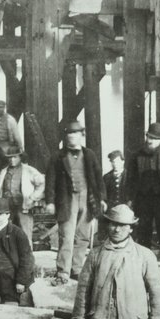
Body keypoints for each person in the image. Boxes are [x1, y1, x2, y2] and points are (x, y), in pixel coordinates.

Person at [44, 120, 103, 283]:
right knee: (67, 236)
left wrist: (101, 199)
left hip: (87, 199)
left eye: (76, 133)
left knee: (82, 236)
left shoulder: (89, 155)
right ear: (66, 137)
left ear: (81, 136)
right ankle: (63, 271)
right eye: (69, 134)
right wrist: (50, 201)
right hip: (66, 200)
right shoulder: (57, 157)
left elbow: (98, 178)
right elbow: (50, 180)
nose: (72, 137)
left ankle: (76, 269)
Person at [127, 122, 160, 276]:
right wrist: (130, 199)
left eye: (154, 138)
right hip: (143, 203)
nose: (150, 140)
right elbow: (130, 180)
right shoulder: (136, 156)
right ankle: (144, 271)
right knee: (143, 236)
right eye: (149, 136)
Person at [0, 197, 35, 306]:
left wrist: (21, 281)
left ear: (8, 215)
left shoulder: (17, 233)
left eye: (0, 214)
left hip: (12, 281)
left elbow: (27, 259)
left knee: (10, 309)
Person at [0, 146, 44, 236]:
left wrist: (33, 197)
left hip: (23, 206)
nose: (12, 160)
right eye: (10, 157)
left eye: (15, 157)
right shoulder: (4, 171)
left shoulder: (28, 170)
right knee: (7, 233)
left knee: (25, 233)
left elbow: (42, 183)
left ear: (20, 157)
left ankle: (27, 250)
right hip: (7, 207)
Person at [100, 149, 126, 242]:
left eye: (117, 162)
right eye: (113, 162)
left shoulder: (129, 175)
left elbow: (133, 192)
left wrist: (130, 203)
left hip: (126, 206)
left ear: (123, 161)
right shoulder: (106, 177)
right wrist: (102, 201)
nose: (115, 164)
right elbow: (102, 192)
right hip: (111, 207)